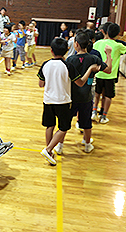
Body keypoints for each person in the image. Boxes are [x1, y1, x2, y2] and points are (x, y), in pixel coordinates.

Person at [37, 37, 100, 165]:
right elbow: (81, 83)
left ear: (51, 50)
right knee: (64, 128)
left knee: (50, 126)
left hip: (48, 100)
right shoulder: (68, 65)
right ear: (67, 50)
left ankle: (49, 153)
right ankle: (48, 149)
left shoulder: (45, 64)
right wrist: (90, 70)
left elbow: (41, 84)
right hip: (63, 101)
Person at [60, 32, 112, 153]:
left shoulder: (71, 59)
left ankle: (60, 146)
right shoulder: (94, 59)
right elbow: (108, 70)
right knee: (86, 123)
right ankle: (87, 145)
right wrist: (108, 55)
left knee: (65, 123)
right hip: (86, 98)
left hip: (71, 97)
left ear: (76, 44)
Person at [92, 23, 126, 124]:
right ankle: (103, 117)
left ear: (107, 32)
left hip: (98, 73)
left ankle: (94, 111)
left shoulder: (98, 43)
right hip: (110, 75)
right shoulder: (117, 46)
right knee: (108, 96)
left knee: (96, 93)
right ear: (117, 35)